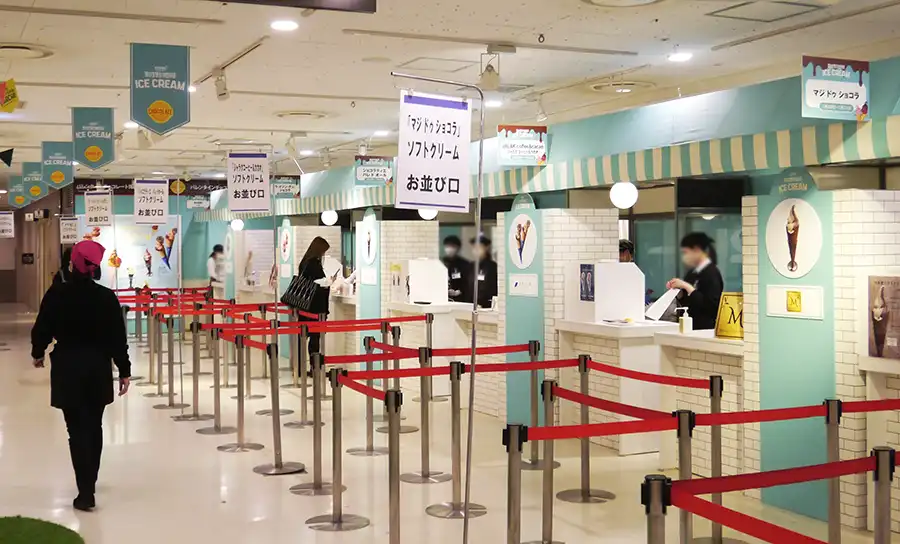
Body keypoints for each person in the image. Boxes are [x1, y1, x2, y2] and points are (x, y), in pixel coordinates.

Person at [30, 240, 131, 512]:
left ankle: (85, 491)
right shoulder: (106, 298)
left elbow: (42, 327)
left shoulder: (57, 294)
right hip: (98, 367)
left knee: (75, 430)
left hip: (68, 367)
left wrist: (38, 352)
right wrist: (124, 370)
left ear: (72, 263)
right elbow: (117, 337)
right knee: (94, 426)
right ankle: (90, 482)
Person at [666, 232, 724, 330]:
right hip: (689, 325)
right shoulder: (692, 273)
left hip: (704, 328)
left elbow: (711, 306)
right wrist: (678, 291)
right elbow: (687, 301)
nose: (684, 257)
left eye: (686, 252)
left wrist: (687, 287)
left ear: (697, 250)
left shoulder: (712, 273)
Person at [297, 236, 333, 359]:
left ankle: (301, 365)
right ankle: (315, 364)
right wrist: (327, 282)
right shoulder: (314, 263)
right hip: (315, 307)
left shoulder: (304, 262)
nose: (323, 254)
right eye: (323, 251)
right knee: (315, 338)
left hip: (304, 305)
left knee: (303, 337)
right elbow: (318, 283)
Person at [470, 235, 498, 309]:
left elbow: (492, 289)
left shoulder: (492, 267)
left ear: (486, 248)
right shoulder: (471, 266)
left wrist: (484, 304)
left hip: (486, 307)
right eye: (474, 247)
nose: (476, 250)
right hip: (470, 306)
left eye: (479, 247)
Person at [442, 235, 470, 302]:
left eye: (453, 246)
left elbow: (468, 283)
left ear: (458, 248)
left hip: (460, 299)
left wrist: (459, 291)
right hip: (443, 298)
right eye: (448, 246)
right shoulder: (441, 263)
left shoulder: (465, 264)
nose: (450, 249)